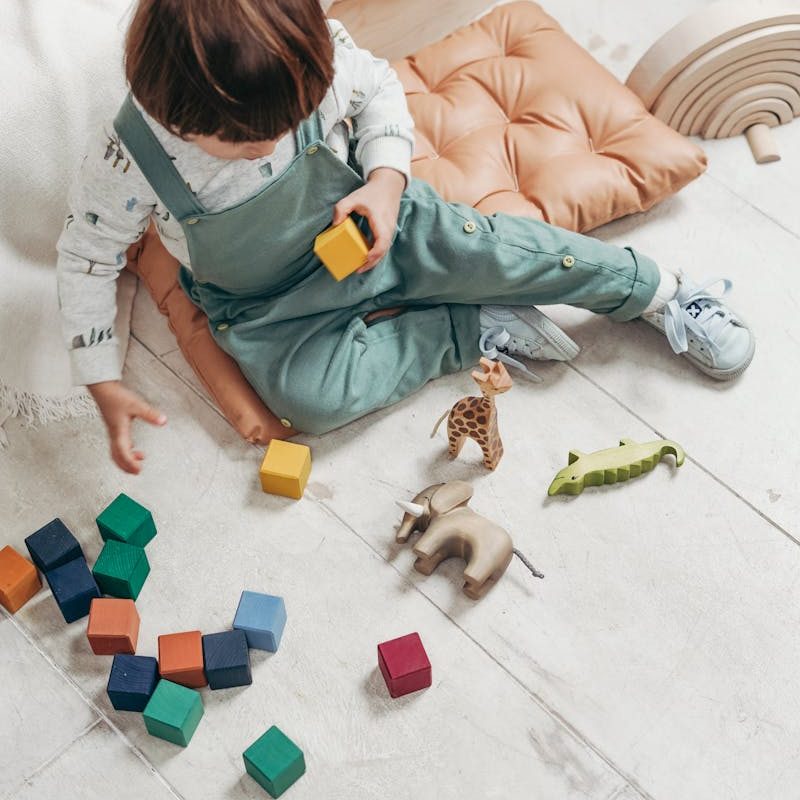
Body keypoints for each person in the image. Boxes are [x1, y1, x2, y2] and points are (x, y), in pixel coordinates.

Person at [56, 0, 754, 475]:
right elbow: (85, 261)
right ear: (165, 109)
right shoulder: (127, 156)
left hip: (387, 228)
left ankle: (653, 290)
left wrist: (384, 183)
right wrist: (102, 380)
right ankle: (465, 329)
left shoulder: (314, 59)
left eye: (284, 126)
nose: (267, 144)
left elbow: (378, 91)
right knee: (311, 401)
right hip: (269, 308)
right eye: (241, 143)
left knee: (504, 250)